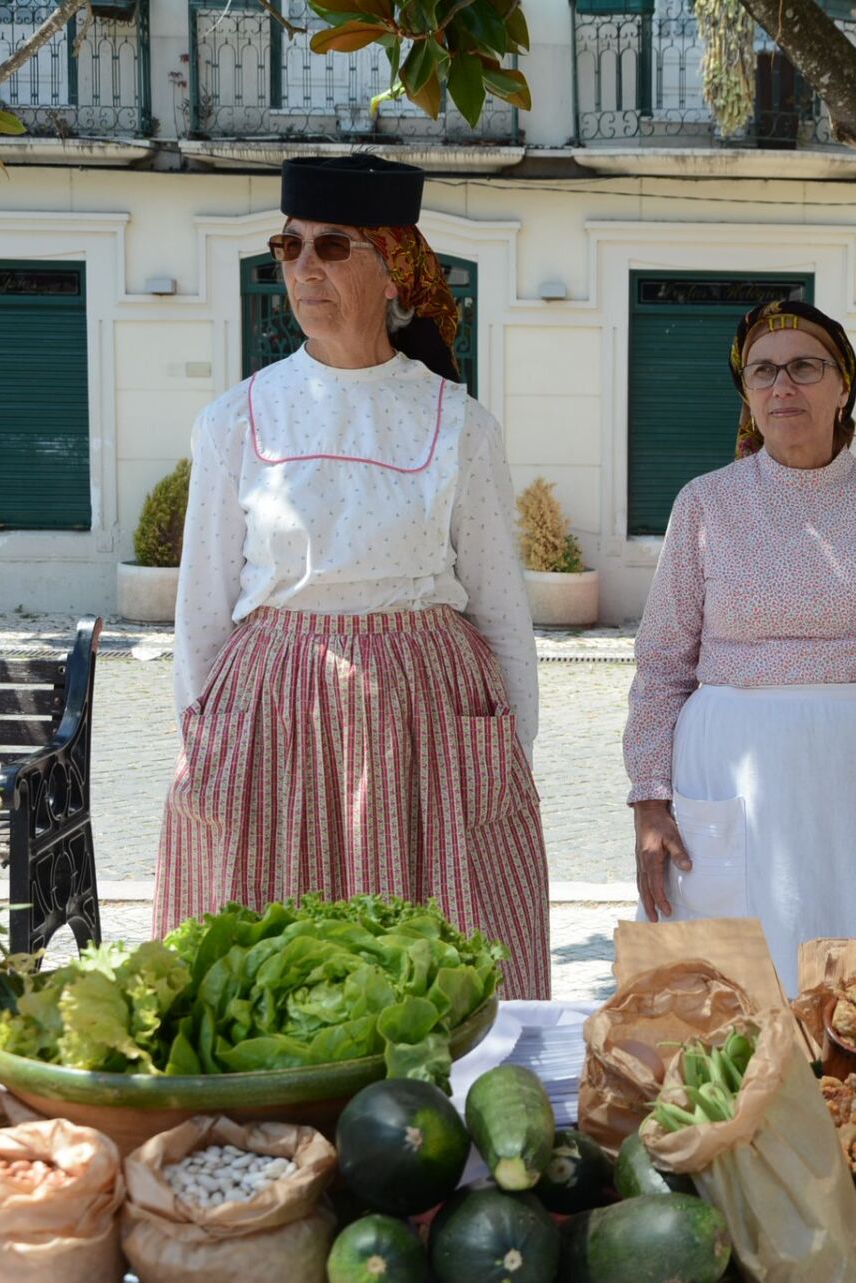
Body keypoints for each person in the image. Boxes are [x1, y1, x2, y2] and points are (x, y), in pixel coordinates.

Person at [156, 154, 549, 998]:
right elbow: (202, 612)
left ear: (392, 266)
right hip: (274, 717)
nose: (303, 267)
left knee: (429, 970)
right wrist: (202, 746)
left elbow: (501, 610)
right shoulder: (234, 419)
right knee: (274, 968)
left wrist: (507, 759)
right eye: (289, 245)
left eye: (331, 246)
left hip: (424, 720)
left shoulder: (460, 424)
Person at [622, 299, 856, 989]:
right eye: (763, 371)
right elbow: (662, 666)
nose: (782, 386)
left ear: (843, 385)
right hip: (732, 777)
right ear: (748, 394)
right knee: (742, 993)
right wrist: (651, 803)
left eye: (804, 367)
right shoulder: (704, 504)